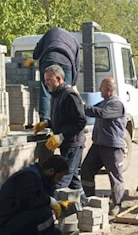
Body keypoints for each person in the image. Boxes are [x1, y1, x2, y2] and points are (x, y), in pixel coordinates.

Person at [33, 65, 87, 198]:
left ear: (58, 78)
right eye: (45, 80)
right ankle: (84, 204)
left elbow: (80, 121)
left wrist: (62, 135)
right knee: (73, 179)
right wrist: (48, 123)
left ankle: (50, 207)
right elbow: (64, 119)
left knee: (62, 178)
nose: (46, 83)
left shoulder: (69, 95)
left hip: (73, 144)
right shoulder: (56, 95)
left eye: (48, 80)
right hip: (66, 143)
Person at [80, 77, 127, 216]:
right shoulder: (105, 102)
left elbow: (100, 113)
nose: (99, 89)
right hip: (99, 145)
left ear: (110, 90)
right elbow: (92, 109)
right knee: (86, 170)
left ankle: (117, 204)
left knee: (115, 176)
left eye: (102, 87)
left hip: (112, 146)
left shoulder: (116, 104)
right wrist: (79, 102)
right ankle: (90, 198)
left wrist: (84, 107)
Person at [29, 27, 80, 123]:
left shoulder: (50, 33)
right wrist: (73, 83)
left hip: (49, 58)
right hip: (66, 62)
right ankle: (65, 120)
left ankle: (44, 120)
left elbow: (36, 52)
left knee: (46, 90)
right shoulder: (74, 41)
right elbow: (77, 65)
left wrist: (34, 58)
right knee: (66, 92)